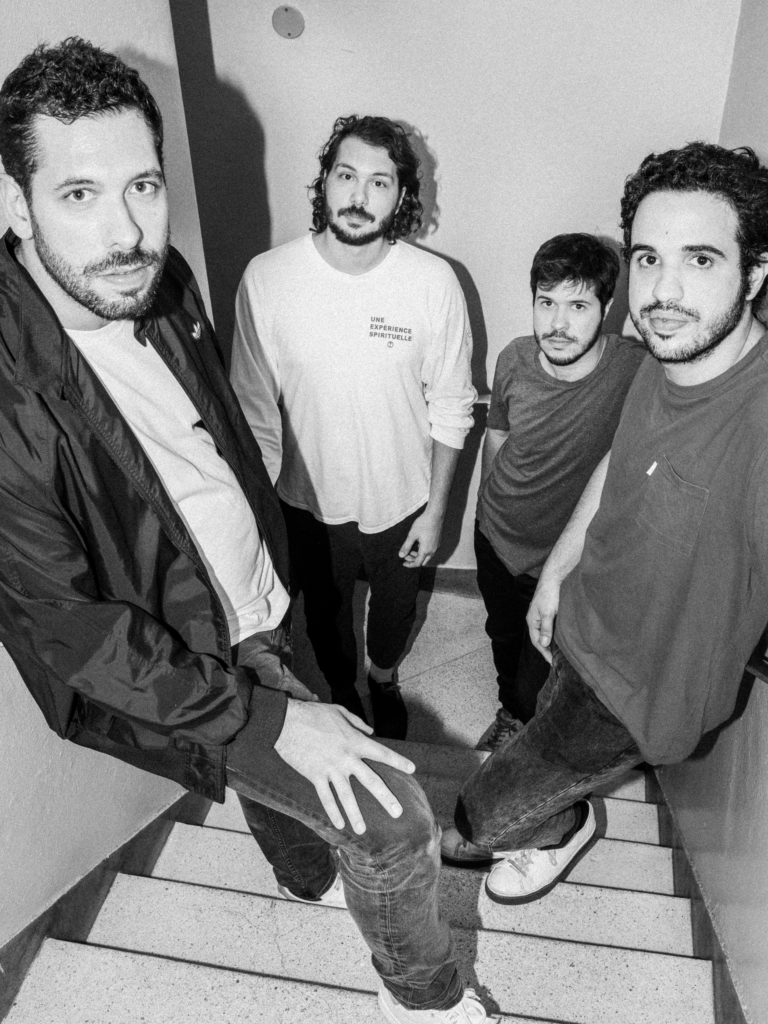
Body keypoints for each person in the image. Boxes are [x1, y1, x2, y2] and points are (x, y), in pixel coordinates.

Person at [0, 39, 492, 1023]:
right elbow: (69, 629)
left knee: (307, 766)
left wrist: (276, 567)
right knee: (393, 818)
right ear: (16, 202)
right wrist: (267, 717)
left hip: (263, 589)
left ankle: (303, 872)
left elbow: (221, 431)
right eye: (79, 194)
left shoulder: (161, 279)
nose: (126, 231)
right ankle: (427, 999)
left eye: (143, 185)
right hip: (184, 655)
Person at [442, 142, 768, 907]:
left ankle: (562, 826)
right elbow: (621, 459)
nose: (664, 291)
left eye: (700, 260)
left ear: (756, 272)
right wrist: (559, 570)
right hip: (581, 622)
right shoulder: (664, 358)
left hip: (633, 697)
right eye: (649, 259)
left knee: (472, 825)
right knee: (530, 722)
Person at [230, 114, 476, 739]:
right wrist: (260, 520)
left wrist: (436, 512)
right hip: (306, 503)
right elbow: (253, 410)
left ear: (401, 196)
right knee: (325, 617)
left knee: (394, 613)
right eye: (346, 175)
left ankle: (383, 678)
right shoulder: (268, 278)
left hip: (403, 498)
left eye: (379, 182)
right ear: (325, 182)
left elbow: (453, 403)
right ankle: (342, 690)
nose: (359, 196)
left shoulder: (432, 282)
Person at [474, 233, 645, 752]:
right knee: (503, 635)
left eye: (578, 305)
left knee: (545, 659)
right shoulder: (514, 358)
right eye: (546, 303)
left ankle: (532, 726)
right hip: (496, 539)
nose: (558, 323)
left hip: (567, 559)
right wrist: (485, 506)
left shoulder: (635, 369)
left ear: (606, 309)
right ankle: (511, 712)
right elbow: (497, 434)